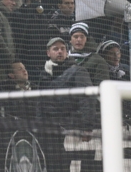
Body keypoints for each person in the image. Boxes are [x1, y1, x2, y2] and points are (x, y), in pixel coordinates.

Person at [36, 37, 97, 172]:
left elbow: (87, 98)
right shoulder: (43, 75)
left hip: (70, 130)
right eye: (55, 49)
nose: (60, 52)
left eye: (63, 49)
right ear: (48, 53)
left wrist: (87, 126)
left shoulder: (78, 71)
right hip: (49, 134)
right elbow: (40, 104)